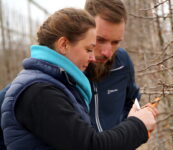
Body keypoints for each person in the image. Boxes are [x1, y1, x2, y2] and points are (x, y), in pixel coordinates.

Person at [1, 8, 157, 150]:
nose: (92, 57)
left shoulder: (53, 84)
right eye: (89, 49)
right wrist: (138, 125)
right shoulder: (39, 91)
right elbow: (90, 145)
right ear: (63, 45)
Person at [85, 0, 142, 131]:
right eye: (100, 40)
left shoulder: (123, 61)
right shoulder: (66, 67)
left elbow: (133, 102)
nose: (108, 53)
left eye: (115, 42)